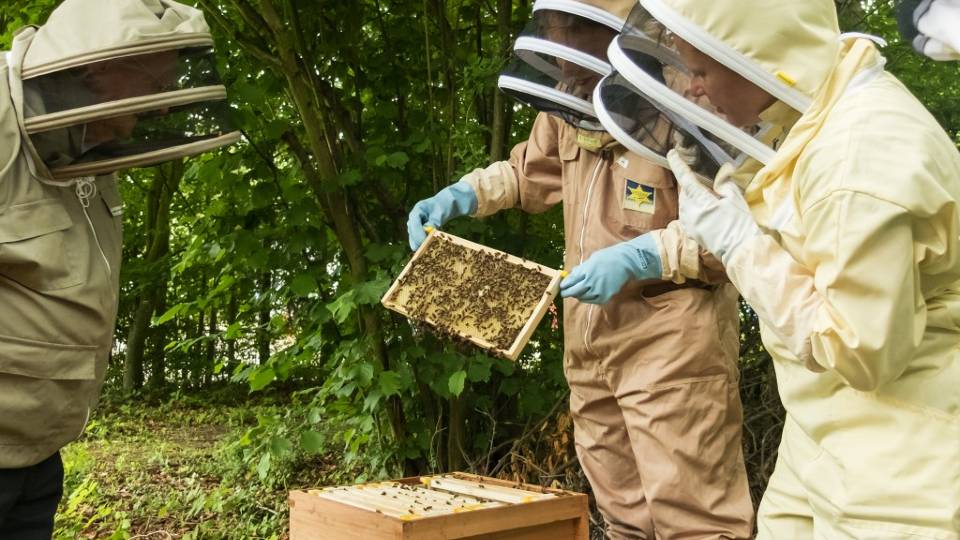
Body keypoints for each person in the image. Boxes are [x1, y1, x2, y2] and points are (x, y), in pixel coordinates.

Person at [608, 0, 960, 538]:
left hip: (904, 448)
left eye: (700, 71)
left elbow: (865, 354)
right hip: (820, 430)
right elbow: (784, 228)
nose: (691, 89)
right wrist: (673, 244)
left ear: (756, 55)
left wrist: (736, 242)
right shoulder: (808, 108)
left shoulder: (859, 162)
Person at [407, 1, 754, 538]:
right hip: (589, 345)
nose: (567, 74)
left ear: (615, 42)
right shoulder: (567, 99)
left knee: (696, 522)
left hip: (673, 347)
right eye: (557, 44)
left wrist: (644, 255)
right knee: (623, 520)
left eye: (576, 46)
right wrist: (464, 195)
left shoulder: (688, 105)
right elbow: (528, 172)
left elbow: (734, 232)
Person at [0, 0, 239, 537]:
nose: (162, 105)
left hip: (37, 448)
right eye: (155, 83)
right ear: (98, 65)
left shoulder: (85, 137)